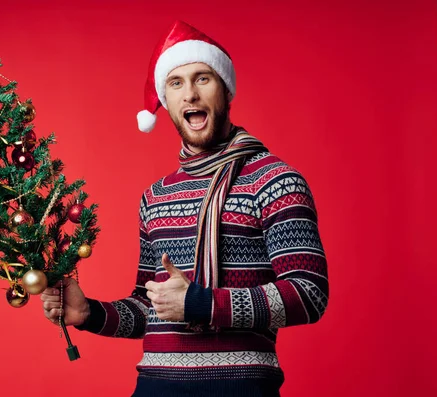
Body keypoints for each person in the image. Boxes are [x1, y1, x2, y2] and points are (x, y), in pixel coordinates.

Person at [41, 20, 329, 397]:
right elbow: (151, 309)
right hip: (155, 386)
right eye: (176, 83)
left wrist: (200, 303)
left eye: (202, 79)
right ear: (166, 100)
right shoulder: (155, 196)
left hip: (241, 388)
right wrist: (88, 314)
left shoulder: (275, 180)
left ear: (225, 90)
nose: (190, 94)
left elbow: (310, 294)